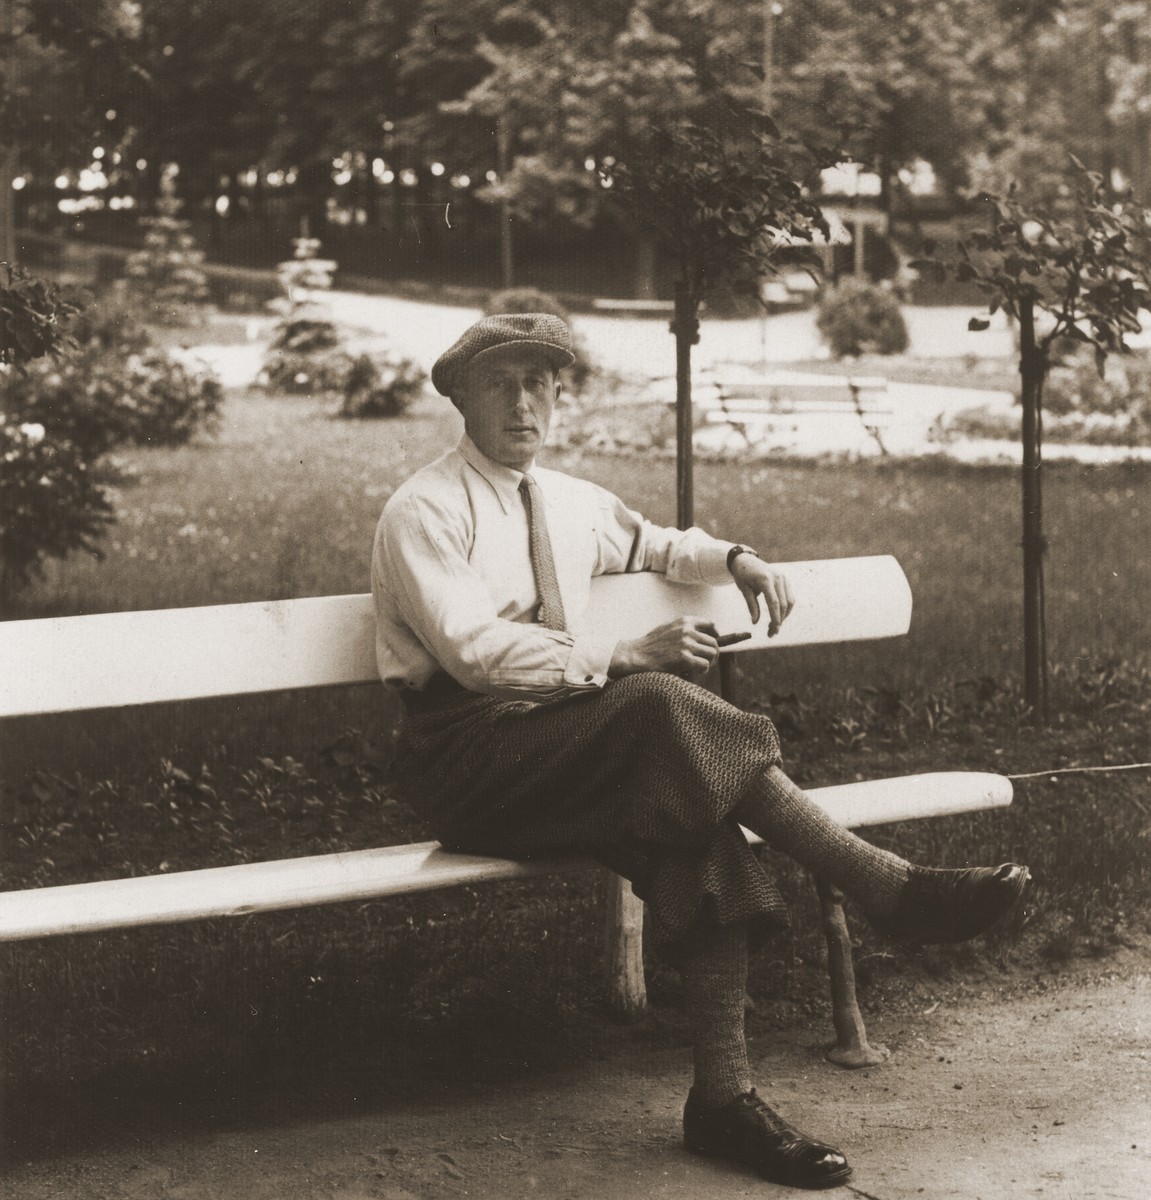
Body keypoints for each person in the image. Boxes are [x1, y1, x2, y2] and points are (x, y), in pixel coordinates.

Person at [371, 313, 1030, 1191]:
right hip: (469, 758)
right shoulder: (423, 509)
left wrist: (737, 557)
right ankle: (882, 885)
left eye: (540, 381)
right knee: (652, 704)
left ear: (561, 396)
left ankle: (722, 1102)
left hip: (561, 745)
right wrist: (618, 657)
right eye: (500, 382)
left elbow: (652, 543)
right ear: (459, 397)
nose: (524, 402)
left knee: (700, 825)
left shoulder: (565, 499)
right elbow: (470, 652)